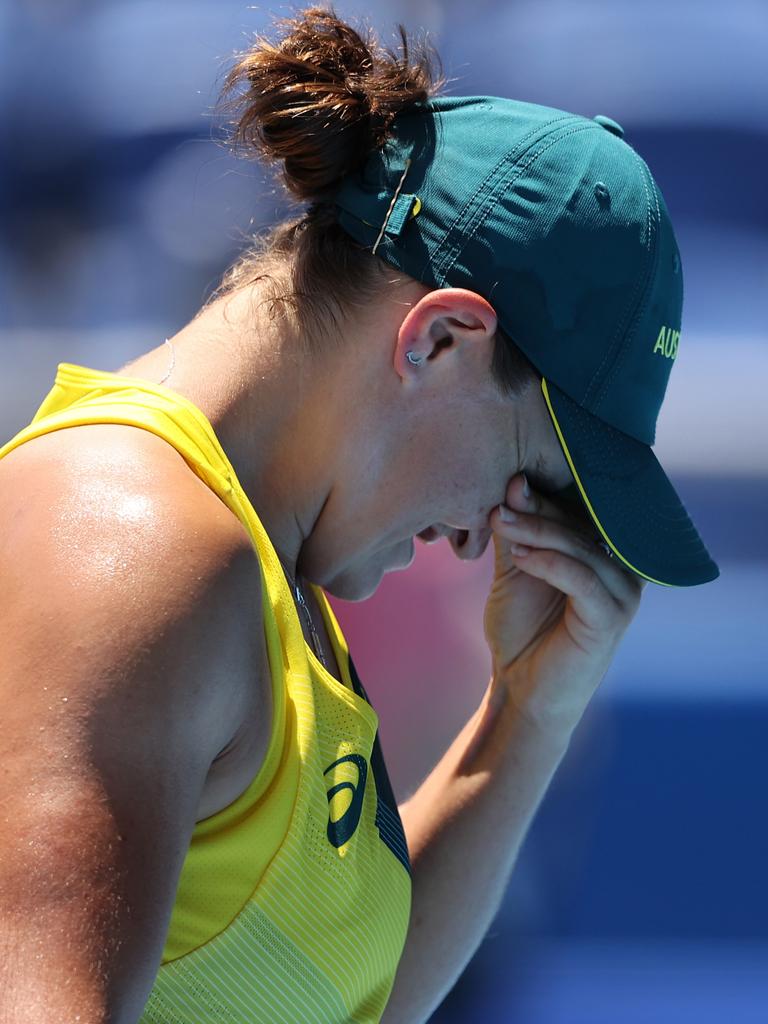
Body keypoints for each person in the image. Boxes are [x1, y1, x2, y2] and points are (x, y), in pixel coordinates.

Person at [0, 7, 719, 1023]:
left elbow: (338, 1002)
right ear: (441, 341)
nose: (491, 534)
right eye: (531, 471)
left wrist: (528, 712)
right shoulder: (134, 548)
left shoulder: (254, 563)